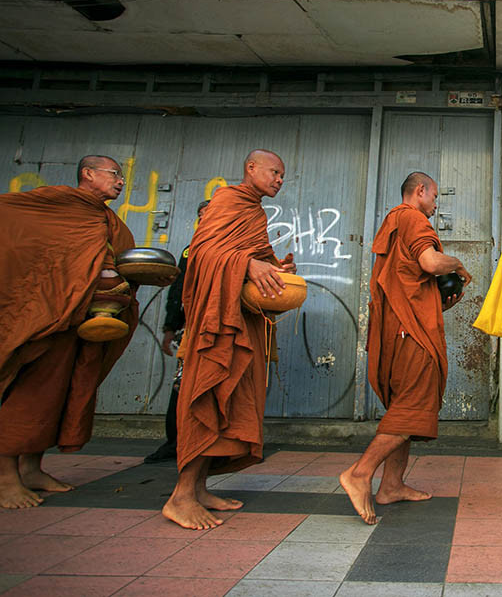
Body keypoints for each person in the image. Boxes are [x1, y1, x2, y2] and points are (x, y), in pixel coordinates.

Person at [162, 149, 295, 530]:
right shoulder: (225, 199)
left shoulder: (254, 212)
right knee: (206, 398)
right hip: (215, 324)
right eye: (274, 172)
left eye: (283, 176)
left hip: (241, 322)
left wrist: (276, 269)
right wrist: (248, 264)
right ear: (251, 169)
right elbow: (201, 254)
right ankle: (181, 496)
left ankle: (200, 488)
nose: (279, 180)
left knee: (228, 402)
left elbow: (252, 257)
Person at [0, 156, 138, 508]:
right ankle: (5, 479)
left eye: (122, 177)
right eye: (114, 175)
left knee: (56, 397)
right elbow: (21, 236)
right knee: (27, 396)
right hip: (47, 319)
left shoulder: (109, 221)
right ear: (88, 174)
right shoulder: (57, 204)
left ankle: (32, 467)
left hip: (83, 325)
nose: (120, 182)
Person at [339, 172, 471, 525]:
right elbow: (429, 263)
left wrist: (439, 300)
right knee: (413, 402)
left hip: (397, 328)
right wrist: (457, 264)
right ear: (420, 191)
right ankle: (360, 473)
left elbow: (410, 281)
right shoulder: (412, 218)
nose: (436, 203)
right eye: (435, 196)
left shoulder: (393, 221)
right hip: (410, 333)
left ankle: (392, 485)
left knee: (404, 407)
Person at [144, 200, 210, 465]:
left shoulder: (230, 247)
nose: (206, 220)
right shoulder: (190, 251)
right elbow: (179, 293)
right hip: (193, 330)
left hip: (220, 331)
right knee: (182, 386)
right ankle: (175, 442)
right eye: (202, 215)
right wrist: (170, 329)